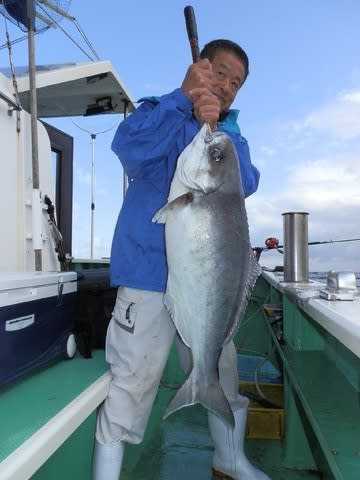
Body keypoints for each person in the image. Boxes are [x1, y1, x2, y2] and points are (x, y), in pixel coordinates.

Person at [92, 39, 270, 480]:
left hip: (206, 287)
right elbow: (129, 148)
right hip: (148, 276)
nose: (227, 85)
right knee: (133, 382)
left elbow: (243, 182)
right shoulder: (159, 110)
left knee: (220, 373)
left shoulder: (231, 135)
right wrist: (182, 104)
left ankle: (229, 457)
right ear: (200, 67)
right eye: (221, 73)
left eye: (236, 82)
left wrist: (217, 132)